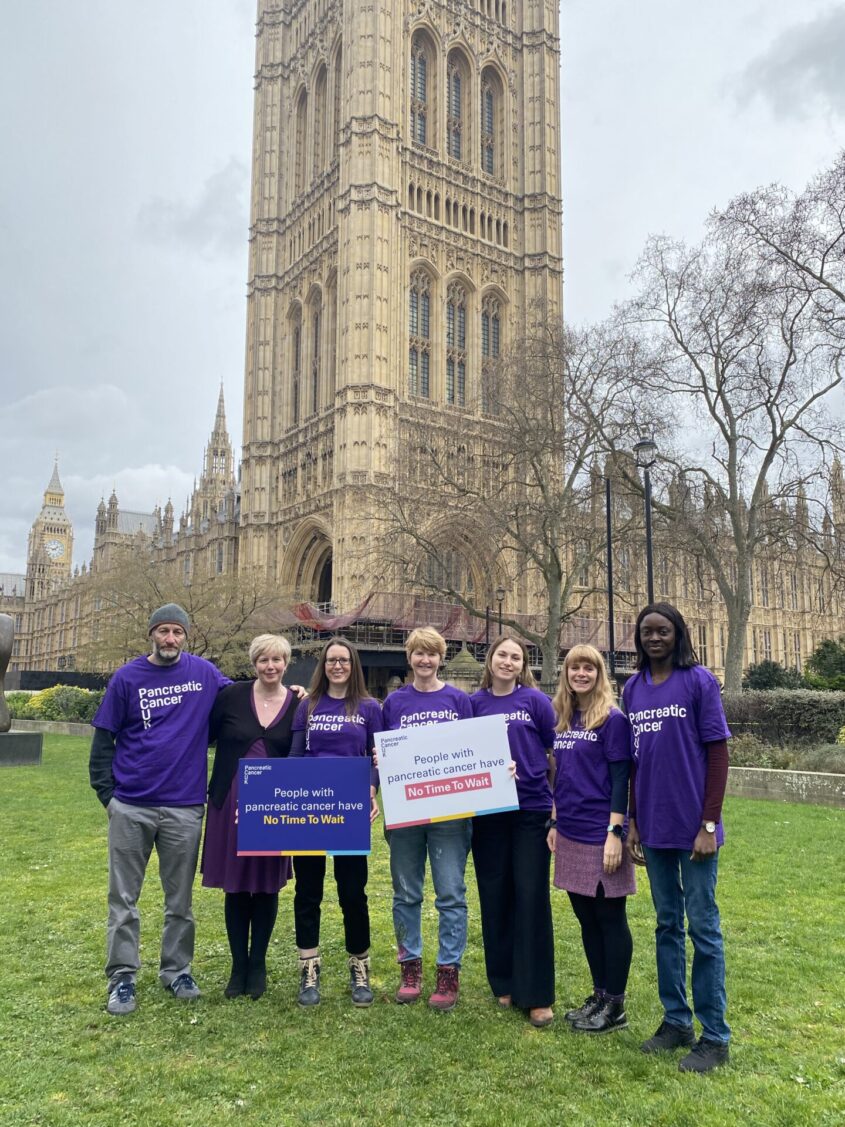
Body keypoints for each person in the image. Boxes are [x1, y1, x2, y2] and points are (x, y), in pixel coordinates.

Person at [89, 603, 229, 1016]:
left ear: (187, 636)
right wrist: (108, 797)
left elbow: (247, 701)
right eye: (164, 631)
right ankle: (122, 976)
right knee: (123, 898)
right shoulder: (127, 678)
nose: (170, 639)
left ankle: (177, 970)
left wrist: (293, 693)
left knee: (179, 900)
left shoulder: (204, 674)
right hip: (131, 805)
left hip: (184, 806)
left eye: (177, 632)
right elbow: (103, 742)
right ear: (151, 633)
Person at [623, 602, 731, 1073]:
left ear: (678, 634)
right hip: (654, 826)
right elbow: (632, 762)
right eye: (647, 632)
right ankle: (676, 1021)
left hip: (694, 829)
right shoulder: (632, 688)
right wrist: (633, 821)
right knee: (667, 926)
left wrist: (709, 824)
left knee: (703, 929)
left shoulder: (699, 681)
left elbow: (719, 754)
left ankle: (715, 1036)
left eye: (663, 631)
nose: (654, 638)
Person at [201, 634, 297, 1000]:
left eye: (277, 660)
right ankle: (237, 966)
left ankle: (258, 965)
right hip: (230, 801)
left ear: (286, 663)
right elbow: (200, 737)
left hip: (275, 807)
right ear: (253, 662)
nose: (270, 666)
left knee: (266, 885)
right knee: (237, 885)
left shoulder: (297, 703)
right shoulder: (230, 697)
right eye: (263, 660)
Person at [382, 627, 473, 1010]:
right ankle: (410, 967)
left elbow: (471, 748)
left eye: (432, 654)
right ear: (409, 658)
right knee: (406, 892)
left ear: (441, 658)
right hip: (406, 811)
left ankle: (448, 971)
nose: (425, 660)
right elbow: (385, 748)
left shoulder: (457, 699)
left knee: (451, 893)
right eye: (418, 654)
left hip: (450, 814)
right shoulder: (394, 702)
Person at [290, 637, 382, 1008]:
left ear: (353, 665)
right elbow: (296, 756)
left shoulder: (369, 707)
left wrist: (371, 791)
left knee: (352, 893)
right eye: (331, 660)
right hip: (310, 808)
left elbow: (378, 757)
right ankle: (308, 970)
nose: (338, 666)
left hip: (348, 808)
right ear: (323, 665)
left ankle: (360, 969)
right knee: (307, 892)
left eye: (344, 660)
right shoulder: (307, 706)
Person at [470, 635, 557, 1027]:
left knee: (531, 894)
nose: (507, 661)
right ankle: (502, 980)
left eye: (515, 657)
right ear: (490, 660)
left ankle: (536, 993)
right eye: (502, 655)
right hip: (488, 812)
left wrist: (555, 804)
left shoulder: (535, 702)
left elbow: (559, 752)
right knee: (495, 893)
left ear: (523, 665)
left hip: (530, 808)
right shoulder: (473, 704)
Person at [549, 644, 636, 1034]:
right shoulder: (564, 718)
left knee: (609, 918)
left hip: (601, 832)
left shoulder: (611, 720)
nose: (580, 674)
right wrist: (553, 822)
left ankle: (615, 1005)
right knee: (585, 918)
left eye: (589, 668)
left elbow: (622, 779)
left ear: (599, 674)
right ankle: (599, 994)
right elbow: (560, 775)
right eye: (574, 667)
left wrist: (615, 833)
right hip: (569, 829)